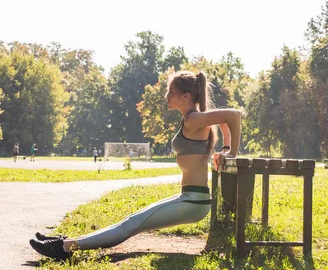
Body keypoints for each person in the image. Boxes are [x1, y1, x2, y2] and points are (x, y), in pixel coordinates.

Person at [29, 70, 242, 260]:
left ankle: (65, 248)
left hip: (193, 202)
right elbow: (223, 121)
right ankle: (67, 241)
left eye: (171, 92)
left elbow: (233, 116)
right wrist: (225, 149)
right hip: (188, 197)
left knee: (130, 225)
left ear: (185, 96)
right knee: (131, 220)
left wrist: (230, 151)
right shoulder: (194, 118)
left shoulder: (193, 119)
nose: (166, 96)